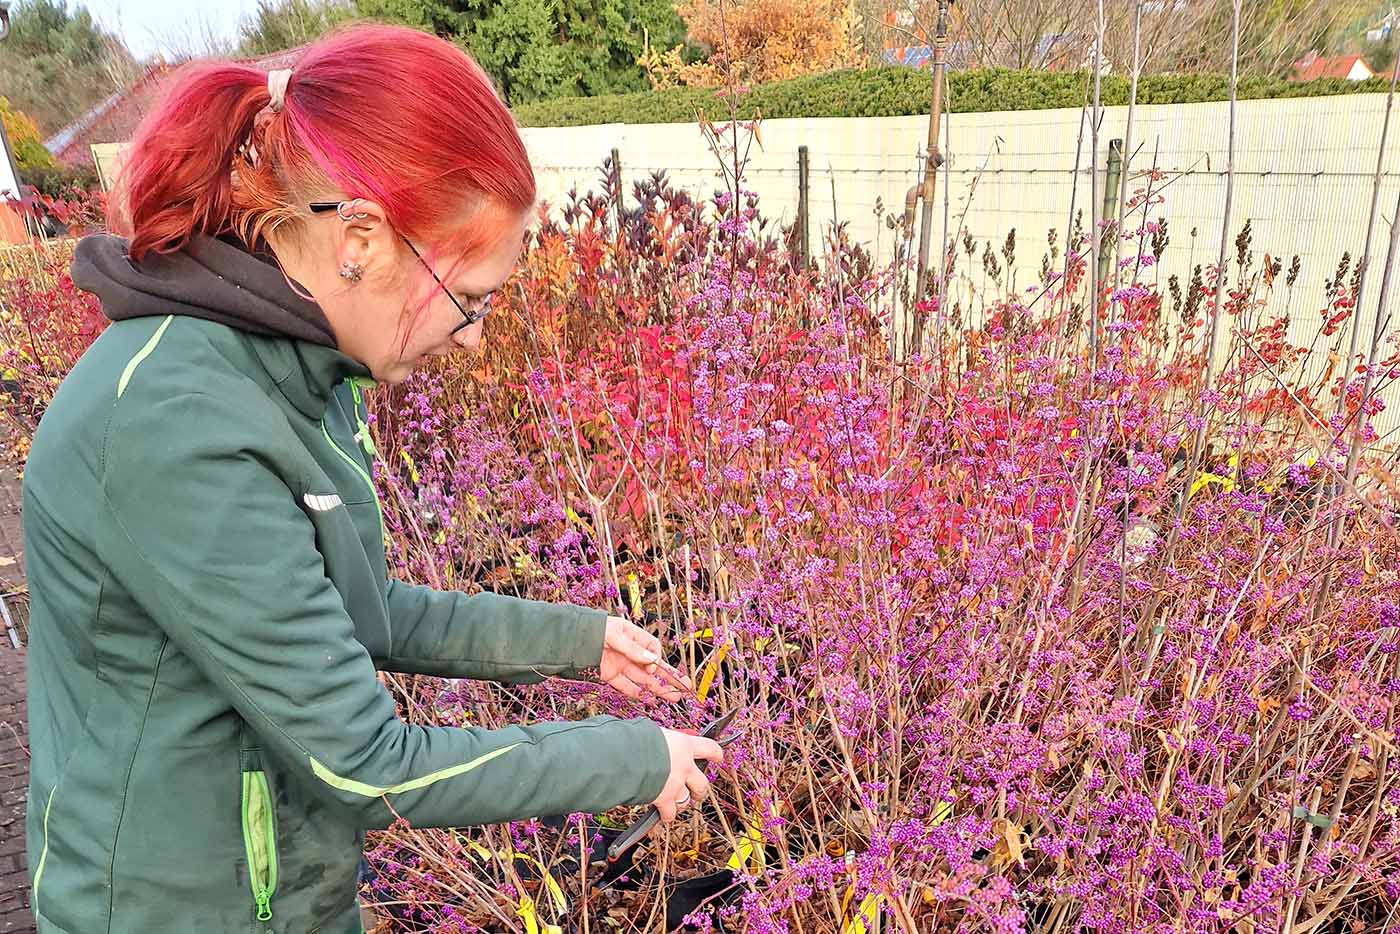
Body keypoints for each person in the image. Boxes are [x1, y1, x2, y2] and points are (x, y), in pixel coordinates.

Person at [23, 24, 723, 934]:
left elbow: (363, 612)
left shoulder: (298, 369)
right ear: (360, 236)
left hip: (285, 890)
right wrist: (626, 761)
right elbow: (366, 764)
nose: (471, 337)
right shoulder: (176, 422)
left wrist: (585, 640)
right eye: (467, 298)